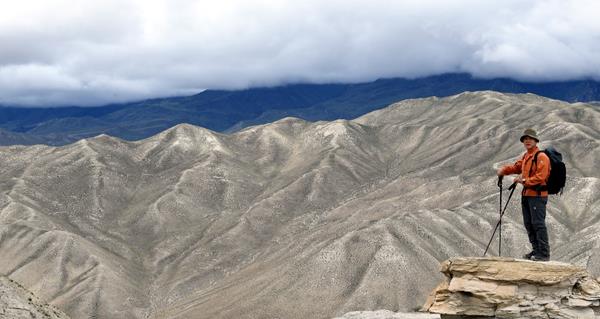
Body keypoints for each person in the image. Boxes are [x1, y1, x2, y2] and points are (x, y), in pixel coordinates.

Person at [497, 128, 551, 261]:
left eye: (530, 138)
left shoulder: (541, 156)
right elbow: (517, 167)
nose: (527, 141)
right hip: (527, 195)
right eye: (525, 139)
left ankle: (544, 254)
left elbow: (541, 177)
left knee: (538, 223)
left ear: (535, 140)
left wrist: (524, 180)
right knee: (529, 223)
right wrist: (503, 170)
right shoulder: (527, 156)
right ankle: (536, 250)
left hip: (538, 195)